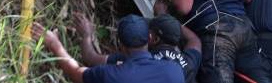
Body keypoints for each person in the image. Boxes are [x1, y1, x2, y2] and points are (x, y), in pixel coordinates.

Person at [32, 14, 185, 83]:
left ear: (119, 44)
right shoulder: (175, 70)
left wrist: (54, 44)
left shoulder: (112, 75)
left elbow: (76, 73)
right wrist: (87, 37)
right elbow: (91, 59)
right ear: (149, 39)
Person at [74, 6, 202, 83]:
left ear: (153, 39)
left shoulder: (142, 57)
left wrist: (86, 35)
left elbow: (90, 59)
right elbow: (195, 41)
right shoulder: (188, 63)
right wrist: (172, 23)